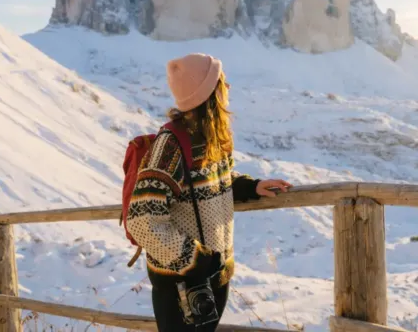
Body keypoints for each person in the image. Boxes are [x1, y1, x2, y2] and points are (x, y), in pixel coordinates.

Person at [125, 53, 293, 331]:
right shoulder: (171, 145)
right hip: (181, 283)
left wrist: (250, 186)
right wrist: (196, 260)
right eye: (221, 81)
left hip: (213, 276)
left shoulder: (211, 135)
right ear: (208, 93)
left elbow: (210, 181)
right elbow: (143, 220)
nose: (227, 88)